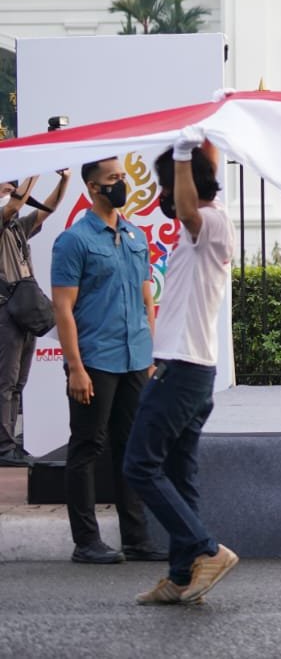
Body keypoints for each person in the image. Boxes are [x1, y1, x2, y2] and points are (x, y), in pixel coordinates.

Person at [123, 129, 240, 605]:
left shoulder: (208, 222)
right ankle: (181, 574)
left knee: (138, 467)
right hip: (189, 368)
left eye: (167, 187)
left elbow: (189, 207)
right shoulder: (208, 226)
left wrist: (185, 154)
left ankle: (205, 550)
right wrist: (202, 144)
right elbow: (191, 200)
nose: (165, 197)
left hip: (183, 367)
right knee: (177, 472)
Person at [50, 156, 163, 565]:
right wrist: (75, 367)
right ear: (93, 188)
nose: (122, 183)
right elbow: (63, 308)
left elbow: (147, 297)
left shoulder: (135, 235)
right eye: (114, 179)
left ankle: (137, 537)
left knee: (130, 448)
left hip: (134, 358)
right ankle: (86, 542)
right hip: (95, 359)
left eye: (123, 177)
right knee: (86, 448)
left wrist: (149, 356)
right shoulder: (74, 240)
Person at [0, 171, 72, 466]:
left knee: (19, 381)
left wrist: (64, 180)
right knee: (5, 380)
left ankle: (11, 444)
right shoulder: (5, 217)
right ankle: (4, 448)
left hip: (25, 309)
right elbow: (14, 206)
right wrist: (35, 168)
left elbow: (47, 210)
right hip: (5, 309)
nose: (14, 190)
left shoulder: (16, 226)